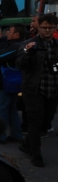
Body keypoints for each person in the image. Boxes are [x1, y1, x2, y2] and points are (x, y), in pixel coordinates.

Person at [17, 14, 58, 167]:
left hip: (52, 88)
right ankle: (36, 154)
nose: (47, 30)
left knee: (45, 122)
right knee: (34, 122)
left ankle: (26, 144)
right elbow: (20, 64)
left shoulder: (56, 45)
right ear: (38, 27)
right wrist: (29, 53)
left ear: (55, 28)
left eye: (51, 27)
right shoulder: (29, 44)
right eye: (44, 27)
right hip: (33, 89)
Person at [0, 24, 25, 145]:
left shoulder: (15, 46)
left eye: (10, 31)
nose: (7, 32)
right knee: (11, 108)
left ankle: (1, 136)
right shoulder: (11, 45)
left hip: (7, 81)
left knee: (1, 108)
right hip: (7, 81)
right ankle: (16, 134)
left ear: (17, 35)